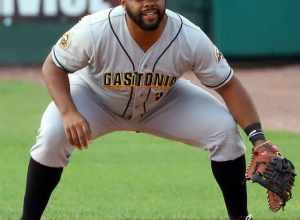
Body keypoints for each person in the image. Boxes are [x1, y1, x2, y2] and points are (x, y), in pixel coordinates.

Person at [21, 0, 269, 219]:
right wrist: (68, 112)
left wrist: (258, 139)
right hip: (95, 99)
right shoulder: (94, 29)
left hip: (163, 103)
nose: (148, 3)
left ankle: (240, 217)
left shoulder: (188, 36)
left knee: (223, 130)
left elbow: (228, 85)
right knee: (52, 135)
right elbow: (52, 67)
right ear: (122, 1)